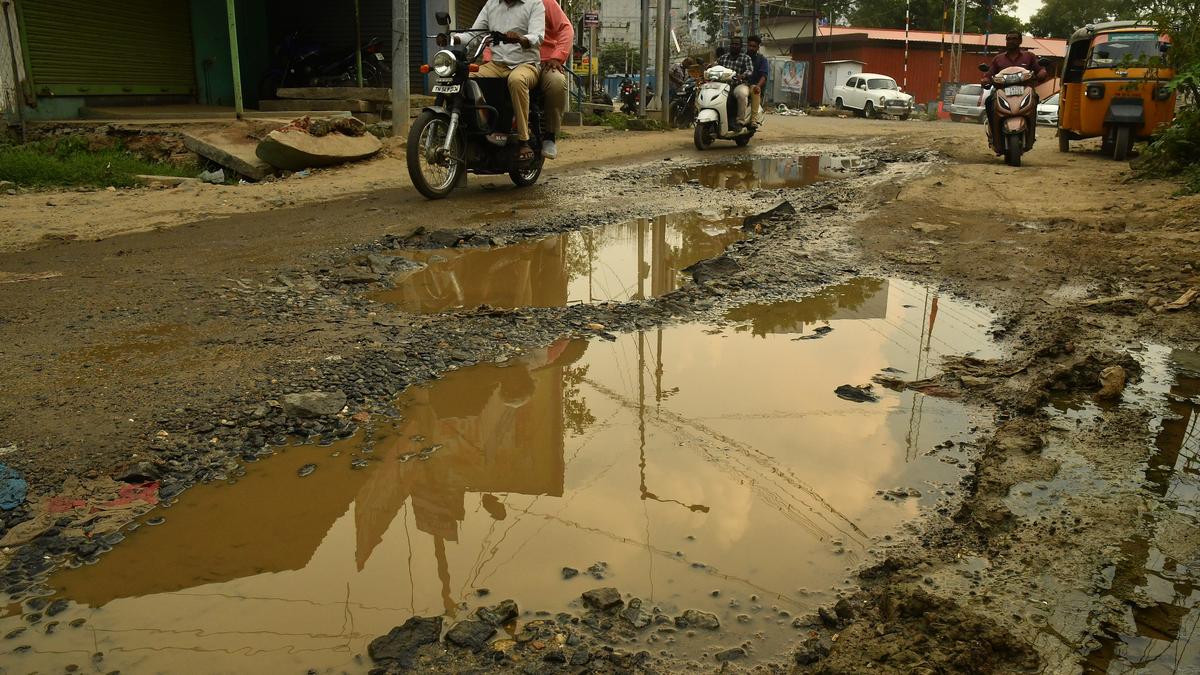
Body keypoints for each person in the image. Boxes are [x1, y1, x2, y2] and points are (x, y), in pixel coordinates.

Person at [456, 0, 545, 161]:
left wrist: (520, 38)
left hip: (526, 64)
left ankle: (523, 140)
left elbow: (537, 36)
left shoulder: (534, 4)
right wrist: (454, 38)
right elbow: (475, 34)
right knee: (464, 78)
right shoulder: (491, 4)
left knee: (517, 80)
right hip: (497, 64)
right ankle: (473, 130)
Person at [981, 30, 1048, 148]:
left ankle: (1031, 134)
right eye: (1009, 39)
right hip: (1002, 91)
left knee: (1035, 98)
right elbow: (989, 74)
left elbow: (1039, 69)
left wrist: (1042, 73)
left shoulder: (1029, 57)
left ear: (1020, 41)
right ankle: (994, 136)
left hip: (1025, 91)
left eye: (1014, 39)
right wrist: (985, 80)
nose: (1011, 41)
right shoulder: (998, 59)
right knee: (988, 102)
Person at [537, 0, 573, 159]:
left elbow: (566, 28)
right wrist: (488, 59)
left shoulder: (546, 3)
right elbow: (490, 34)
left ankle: (549, 135)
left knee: (556, 83)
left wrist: (557, 57)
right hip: (511, 61)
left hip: (545, 61)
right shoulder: (497, 4)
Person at [717, 36, 754, 127]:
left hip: (739, 84)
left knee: (742, 94)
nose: (734, 46)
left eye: (737, 44)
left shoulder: (746, 58)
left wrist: (742, 75)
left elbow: (750, 70)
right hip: (723, 85)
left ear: (741, 46)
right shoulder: (723, 58)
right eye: (732, 44)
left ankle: (740, 121)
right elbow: (715, 66)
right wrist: (708, 68)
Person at [746, 35, 768, 125]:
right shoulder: (742, 57)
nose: (751, 48)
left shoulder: (762, 59)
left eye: (754, 46)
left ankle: (753, 119)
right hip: (741, 85)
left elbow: (764, 75)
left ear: (758, 47)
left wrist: (758, 86)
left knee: (755, 90)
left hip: (753, 86)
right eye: (750, 46)